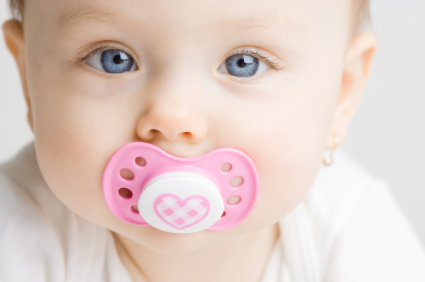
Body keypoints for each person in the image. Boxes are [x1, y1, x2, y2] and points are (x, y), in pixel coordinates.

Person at [1, 0, 424, 281]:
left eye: (244, 63)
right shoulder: (18, 230)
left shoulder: (354, 236)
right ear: (29, 81)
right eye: (113, 59)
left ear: (341, 94)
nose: (173, 117)